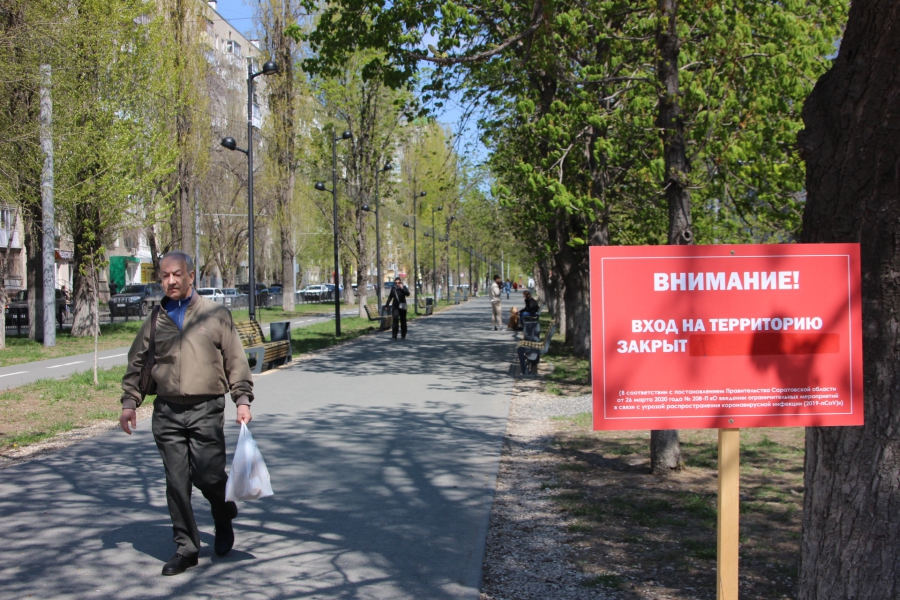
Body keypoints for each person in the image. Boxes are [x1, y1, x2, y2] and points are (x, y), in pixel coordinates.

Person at [118, 250, 254, 577]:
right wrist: (129, 403)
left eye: (177, 274)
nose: (171, 281)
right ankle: (186, 548)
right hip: (166, 411)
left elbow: (236, 359)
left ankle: (222, 515)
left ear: (191, 276)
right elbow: (137, 363)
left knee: (208, 475)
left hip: (206, 408)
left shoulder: (214, 314)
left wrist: (242, 399)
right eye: (164, 276)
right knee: (177, 482)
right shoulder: (155, 319)